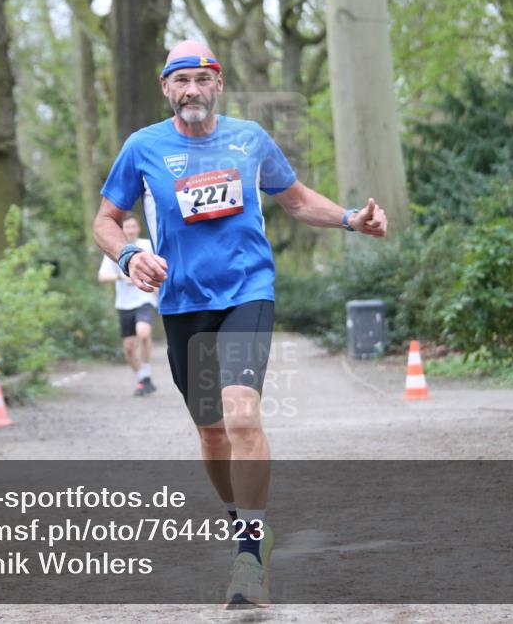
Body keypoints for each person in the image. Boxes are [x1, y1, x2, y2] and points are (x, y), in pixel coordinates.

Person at [92, 39, 387, 608]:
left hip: (247, 291)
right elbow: (108, 219)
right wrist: (129, 256)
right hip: (182, 303)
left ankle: (249, 554)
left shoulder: (249, 140)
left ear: (218, 84)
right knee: (210, 432)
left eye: (202, 80)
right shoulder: (143, 147)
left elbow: (296, 201)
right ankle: (241, 524)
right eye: (182, 81)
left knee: (241, 413)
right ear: (166, 89)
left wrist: (352, 218)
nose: (193, 91)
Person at [97, 213, 159, 396]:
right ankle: (143, 379)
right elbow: (102, 276)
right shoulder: (116, 250)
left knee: (144, 333)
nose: (130, 230)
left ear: (138, 228)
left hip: (145, 298)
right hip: (124, 304)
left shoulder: (147, 246)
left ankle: (146, 371)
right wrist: (122, 276)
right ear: (122, 230)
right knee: (129, 348)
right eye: (127, 227)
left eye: (133, 226)